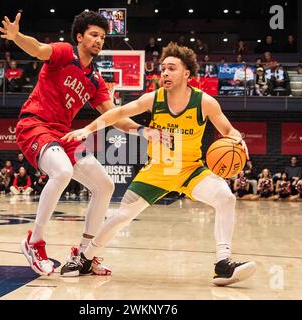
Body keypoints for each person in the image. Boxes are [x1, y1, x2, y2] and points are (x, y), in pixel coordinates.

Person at [62, 42, 256, 286]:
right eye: (163, 68)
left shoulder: (205, 102)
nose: (165, 73)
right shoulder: (154, 98)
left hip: (190, 170)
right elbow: (117, 113)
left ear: (187, 73)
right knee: (121, 216)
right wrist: (88, 129)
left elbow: (229, 130)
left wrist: (237, 139)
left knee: (226, 198)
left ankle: (223, 264)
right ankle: (85, 258)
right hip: (157, 170)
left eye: (172, 68)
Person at [0, 10, 145, 276]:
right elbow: (39, 49)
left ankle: (84, 254)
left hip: (63, 134)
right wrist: (17, 36)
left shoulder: (95, 80)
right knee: (63, 171)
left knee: (105, 184)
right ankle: (34, 243)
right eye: (93, 35)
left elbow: (117, 118)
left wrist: (147, 131)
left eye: (102, 37)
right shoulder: (66, 53)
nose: (99, 40)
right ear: (80, 36)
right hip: (35, 124)